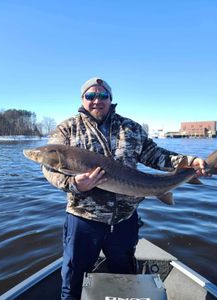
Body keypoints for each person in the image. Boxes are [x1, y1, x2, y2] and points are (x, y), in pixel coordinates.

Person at [43, 77, 208, 300]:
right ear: (82, 99)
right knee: (73, 281)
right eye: (91, 96)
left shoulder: (130, 127)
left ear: (111, 99)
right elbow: (49, 168)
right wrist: (73, 184)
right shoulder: (67, 129)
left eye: (102, 95)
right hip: (83, 220)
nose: (97, 100)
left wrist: (190, 161)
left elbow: (157, 155)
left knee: (126, 279)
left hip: (124, 221)